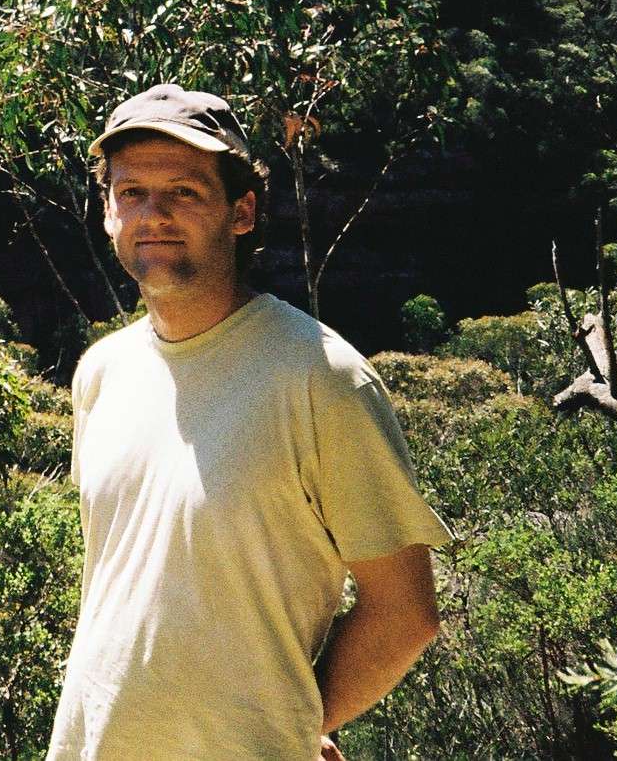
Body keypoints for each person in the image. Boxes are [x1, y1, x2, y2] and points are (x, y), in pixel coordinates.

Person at [46, 83, 451, 761]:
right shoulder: (101, 373)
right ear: (108, 212)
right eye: (131, 192)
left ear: (241, 212)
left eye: (183, 192)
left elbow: (404, 613)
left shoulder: (321, 377)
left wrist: (292, 726)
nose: (153, 214)